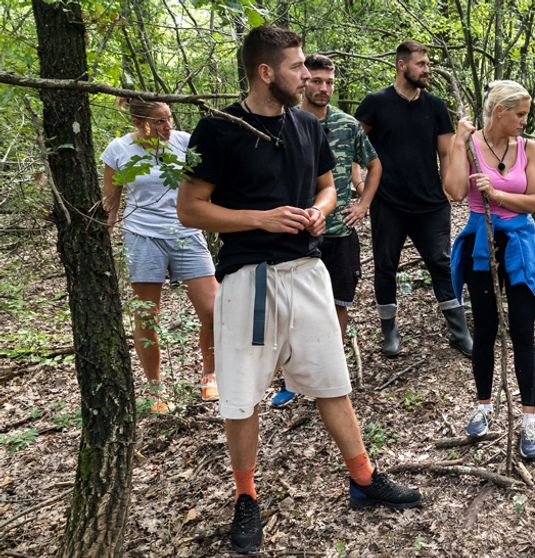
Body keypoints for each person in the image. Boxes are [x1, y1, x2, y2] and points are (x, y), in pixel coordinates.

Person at [177, 26, 421, 554]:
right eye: (295, 68)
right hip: (249, 280)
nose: (306, 76)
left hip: (308, 272)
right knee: (242, 397)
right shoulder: (217, 130)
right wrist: (259, 219)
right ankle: (246, 497)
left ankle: (363, 477)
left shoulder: (309, 128)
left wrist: (320, 211)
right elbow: (190, 207)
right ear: (266, 73)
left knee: (333, 382)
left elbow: (328, 186)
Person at [444, 80, 535, 459]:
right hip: (481, 241)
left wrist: (498, 193)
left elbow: (533, 201)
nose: (525, 120)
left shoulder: (529, 148)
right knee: (485, 327)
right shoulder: (470, 146)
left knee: (523, 329)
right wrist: (458, 142)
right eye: (519, 113)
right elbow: (455, 191)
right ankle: (484, 405)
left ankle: (529, 418)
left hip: (521, 242)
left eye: (527, 113)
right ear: (499, 112)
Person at [271, 53, 383, 408]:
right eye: (316, 81)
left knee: (338, 304)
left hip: (338, 231)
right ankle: (291, 378)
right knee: (294, 311)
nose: (323, 88)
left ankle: (330, 372)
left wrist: (363, 203)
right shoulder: (285, 122)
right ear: (304, 82)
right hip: (295, 234)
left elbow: (374, 163)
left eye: (329, 82)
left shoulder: (347, 124)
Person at [355, 40, 472, 358]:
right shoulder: (375, 103)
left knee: (441, 263)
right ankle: (389, 333)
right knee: (385, 266)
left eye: (428, 64)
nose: (427, 69)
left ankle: (459, 333)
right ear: (401, 65)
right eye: (421, 64)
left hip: (430, 203)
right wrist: (358, 181)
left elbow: (446, 152)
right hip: (388, 202)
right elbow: (354, 142)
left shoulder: (435, 106)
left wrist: (450, 187)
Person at [101, 98, 218, 412]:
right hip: (143, 237)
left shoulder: (185, 144)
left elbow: (208, 187)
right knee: (147, 315)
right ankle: (156, 389)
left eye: (169, 119)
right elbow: (111, 202)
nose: (168, 127)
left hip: (186, 231)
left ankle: (211, 373)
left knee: (212, 308)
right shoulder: (118, 151)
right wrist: (104, 235)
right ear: (139, 123)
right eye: (160, 121)